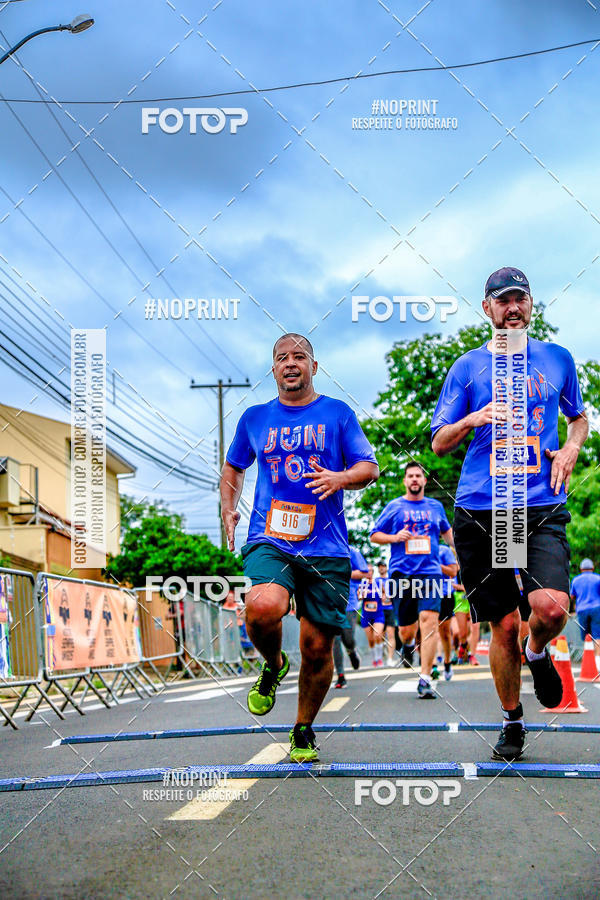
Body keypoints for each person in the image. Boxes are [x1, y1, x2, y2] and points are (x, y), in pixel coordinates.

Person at [432, 266, 588, 761]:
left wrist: (569, 449)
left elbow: (579, 417)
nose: (512, 307)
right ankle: (512, 722)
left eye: (520, 298)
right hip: (483, 508)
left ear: (531, 304)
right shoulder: (466, 368)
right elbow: (438, 443)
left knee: (549, 608)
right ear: (487, 309)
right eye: (503, 301)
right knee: (501, 625)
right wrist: (473, 417)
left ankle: (537, 650)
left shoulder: (557, 359)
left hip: (538, 502)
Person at [220, 333, 379, 762]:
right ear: (273, 369)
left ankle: (302, 728)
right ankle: (272, 666)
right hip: (270, 537)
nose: (290, 363)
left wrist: (339, 478)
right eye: (281, 358)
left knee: (316, 647)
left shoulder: (337, 413)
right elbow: (234, 466)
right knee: (263, 606)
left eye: (299, 357)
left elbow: (369, 466)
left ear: (314, 366)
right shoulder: (254, 418)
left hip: (326, 545)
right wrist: (229, 508)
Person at [370, 461, 455, 699]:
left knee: (429, 621)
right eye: (410, 476)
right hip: (401, 574)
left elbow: (448, 535)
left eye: (419, 475)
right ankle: (408, 646)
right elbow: (374, 536)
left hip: (430, 573)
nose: (415, 479)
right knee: (406, 631)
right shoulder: (394, 507)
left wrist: (462, 555)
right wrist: (395, 537)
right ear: (405, 481)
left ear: (425, 480)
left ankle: (425, 677)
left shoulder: (436, 507)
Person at [332, 546, 365, 688]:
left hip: (349, 602)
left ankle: (352, 652)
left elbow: (364, 572)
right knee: (335, 639)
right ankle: (340, 675)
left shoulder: (351, 550)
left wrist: (342, 572)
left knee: (347, 637)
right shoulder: (323, 547)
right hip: (329, 601)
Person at [571, 558, 600, 665]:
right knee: (597, 636)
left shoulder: (576, 580)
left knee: (586, 637)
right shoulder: (598, 578)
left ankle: (588, 663)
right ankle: (597, 663)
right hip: (597, 609)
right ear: (592, 568)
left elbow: (572, 596)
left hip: (582, 610)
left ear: (581, 569)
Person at [436, 543, 459, 681]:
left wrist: (435, 565)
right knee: (428, 630)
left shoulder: (443, 550)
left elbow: (453, 572)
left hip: (445, 594)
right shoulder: (416, 549)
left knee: (444, 632)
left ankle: (447, 662)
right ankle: (431, 666)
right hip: (425, 592)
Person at [359, 565, 385, 666]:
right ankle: (375, 658)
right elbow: (358, 596)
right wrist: (362, 594)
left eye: (371, 571)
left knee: (377, 635)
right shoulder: (362, 584)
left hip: (378, 613)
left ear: (373, 572)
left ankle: (379, 658)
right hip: (366, 615)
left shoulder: (378, 582)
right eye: (367, 571)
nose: (369, 573)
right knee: (371, 640)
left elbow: (384, 593)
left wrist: (383, 596)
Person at [376, 560, 397, 666]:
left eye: (383, 566)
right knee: (379, 635)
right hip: (379, 610)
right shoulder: (375, 581)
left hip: (390, 609)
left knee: (391, 634)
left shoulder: (391, 580)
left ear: (386, 568)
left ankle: (389, 659)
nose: (381, 568)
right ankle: (380, 654)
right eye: (379, 566)